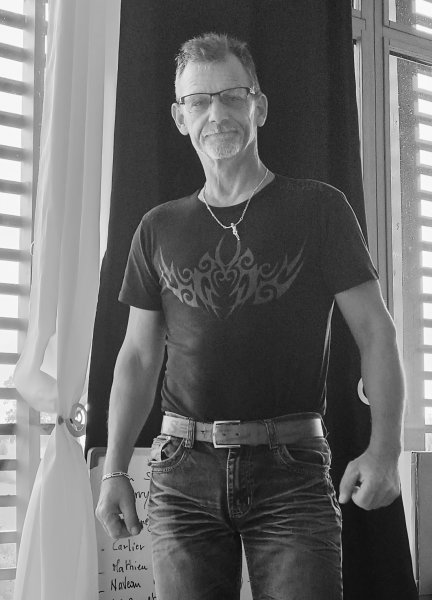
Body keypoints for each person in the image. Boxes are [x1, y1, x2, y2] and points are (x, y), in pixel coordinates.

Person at [96, 32, 404, 600]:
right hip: (181, 471)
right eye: (199, 101)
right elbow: (137, 357)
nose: (216, 114)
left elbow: (376, 333)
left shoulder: (320, 209)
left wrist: (385, 450)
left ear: (258, 105)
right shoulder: (157, 228)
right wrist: (115, 468)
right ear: (180, 117)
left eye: (232, 96)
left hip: (292, 471)